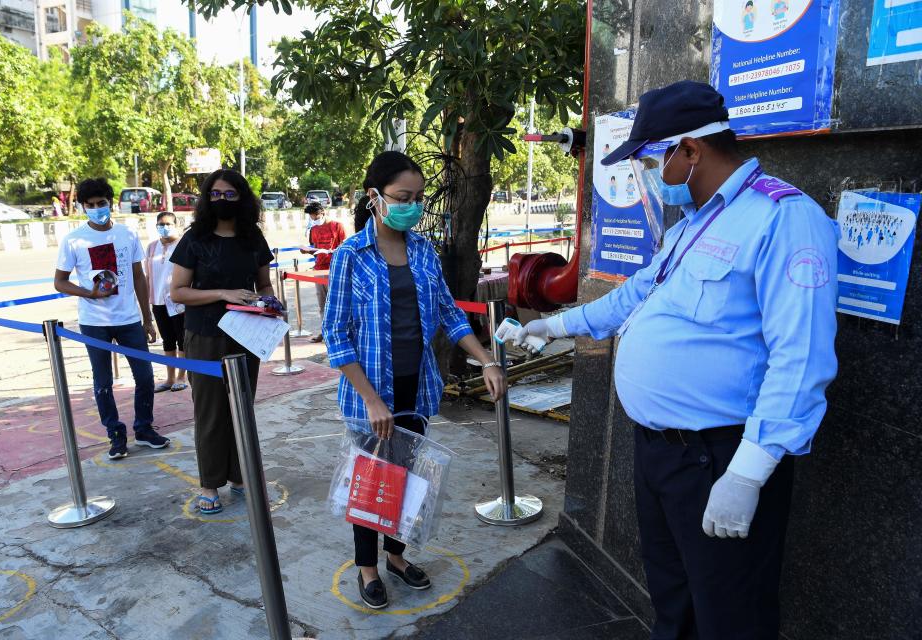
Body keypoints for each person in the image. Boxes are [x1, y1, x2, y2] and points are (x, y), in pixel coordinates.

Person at [510, 81, 838, 639]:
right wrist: (554, 324)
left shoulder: (783, 218)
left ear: (691, 150)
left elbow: (800, 359)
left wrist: (748, 473)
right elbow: (637, 293)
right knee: (674, 599)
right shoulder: (695, 223)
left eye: (655, 158)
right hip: (660, 453)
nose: (652, 174)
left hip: (719, 457)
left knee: (730, 613)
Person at [324, 151, 508, 610]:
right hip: (370, 393)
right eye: (402, 197)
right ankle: (367, 567)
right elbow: (336, 335)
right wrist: (370, 399)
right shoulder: (350, 255)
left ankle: (396, 555)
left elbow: (449, 313)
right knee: (371, 481)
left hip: (416, 387)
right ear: (374, 197)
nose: (411, 206)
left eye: (418, 199)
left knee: (405, 478)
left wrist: (486, 360)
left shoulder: (424, 251)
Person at [169, 169, 276, 516]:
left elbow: (264, 285)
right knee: (211, 413)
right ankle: (209, 483)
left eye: (230, 195)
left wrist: (272, 303)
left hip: (248, 335)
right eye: (215, 194)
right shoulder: (194, 239)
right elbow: (178, 292)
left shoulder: (252, 237)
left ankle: (239, 476)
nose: (222, 201)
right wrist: (222, 293)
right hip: (206, 337)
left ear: (242, 198)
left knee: (241, 409)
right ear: (206, 198)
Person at [54, 178, 170, 460]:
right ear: (83, 207)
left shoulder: (126, 235)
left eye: (101, 203)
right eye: (90, 205)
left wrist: (147, 319)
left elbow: (138, 277)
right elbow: (60, 282)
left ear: (111, 202)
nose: (97, 209)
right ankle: (115, 434)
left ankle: (144, 428)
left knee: (144, 376)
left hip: (129, 319)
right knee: (103, 381)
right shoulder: (74, 240)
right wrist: (88, 293)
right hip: (94, 323)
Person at [144, 211, 188, 393]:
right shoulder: (151, 247)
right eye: (160, 225)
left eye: (168, 224)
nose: (164, 227)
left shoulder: (183, 245)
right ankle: (169, 378)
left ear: (176, 225)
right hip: (158, 301)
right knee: (167, 340)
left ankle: (181, 376)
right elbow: (147, 276)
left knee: (182, 340)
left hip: (179, 301)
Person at [300, 201, 346, 342]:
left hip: (334, 269)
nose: (314, 220)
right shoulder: (313, 229)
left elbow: (345, 246)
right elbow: (315, 248)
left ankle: (339, 334)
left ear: (323, 213)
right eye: (312, 217)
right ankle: (324, 332)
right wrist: (307, 251)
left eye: (316, 216)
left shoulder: (337, 226)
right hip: (318, 270)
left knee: (338, 304)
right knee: (322, 304)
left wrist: (332, 251)